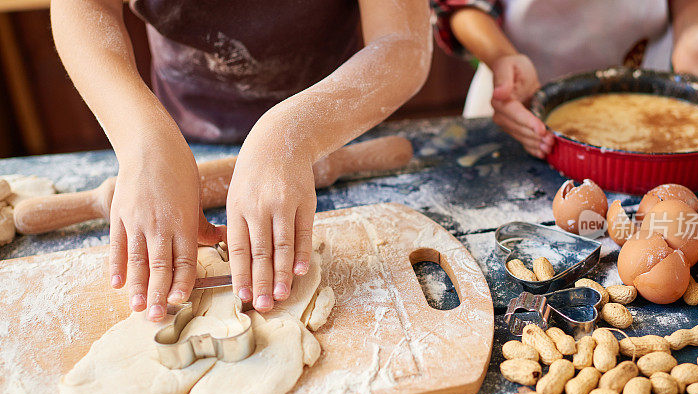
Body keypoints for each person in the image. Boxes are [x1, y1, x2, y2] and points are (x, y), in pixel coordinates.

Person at [51, 0, 431, 321]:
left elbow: (401, 42)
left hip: (336, 117)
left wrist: (294, 133)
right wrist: (142, 143)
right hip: (175, 133)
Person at [432, 0, 698, 159]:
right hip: (520, 111)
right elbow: (461, 4)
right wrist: (501, 56)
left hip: (658, 118)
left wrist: (691, 31)